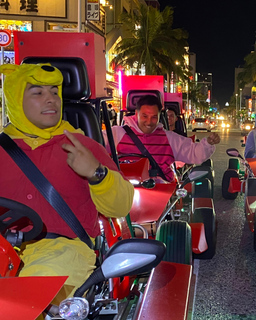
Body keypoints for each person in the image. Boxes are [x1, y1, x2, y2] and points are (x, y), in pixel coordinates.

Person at [0, 63, 134, 304]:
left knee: (27, 304)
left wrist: (96, 173)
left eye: (54, 91)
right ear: (15, 98)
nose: (50, 99)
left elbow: (121, 207)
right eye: (38, 92)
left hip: (63, 249)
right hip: (4, 249)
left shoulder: (83, 146)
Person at [107, 95, 220, 182]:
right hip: (123, 194)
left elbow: (193, 153)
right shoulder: (117, 134)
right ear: (136, 114)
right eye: (144, 116)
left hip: (162, 194)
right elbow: (95, 146)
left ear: (159, 117)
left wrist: (208, 143)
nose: (149, 122)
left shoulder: (169, 138)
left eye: (154, 117)